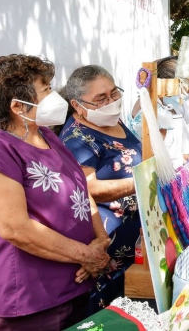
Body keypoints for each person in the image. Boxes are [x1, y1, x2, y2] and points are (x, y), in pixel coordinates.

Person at [0, 54, 110, 329]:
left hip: (77, 283)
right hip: (37, 297)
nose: (54, 95)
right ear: (18, 107)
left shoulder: (48, 136)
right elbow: (16, 228)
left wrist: (100, 242)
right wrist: (86, 255)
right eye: (45, 89)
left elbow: (82, 191)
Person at [58, 65, 142, 312]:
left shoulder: (115, 121)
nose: (111, 101)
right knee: (114, 313)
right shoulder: (77, 139)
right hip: (107, 241)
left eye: (114, 93)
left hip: (135, 235)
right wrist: (141, 182)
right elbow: (87, 189)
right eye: (100, 99)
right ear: (77, 105)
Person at [128, 56, 189, 169]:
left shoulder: (170, 104)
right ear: (168, 82)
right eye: (184, 82)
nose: (187, 87)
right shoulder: (152, 107)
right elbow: (153, 152)